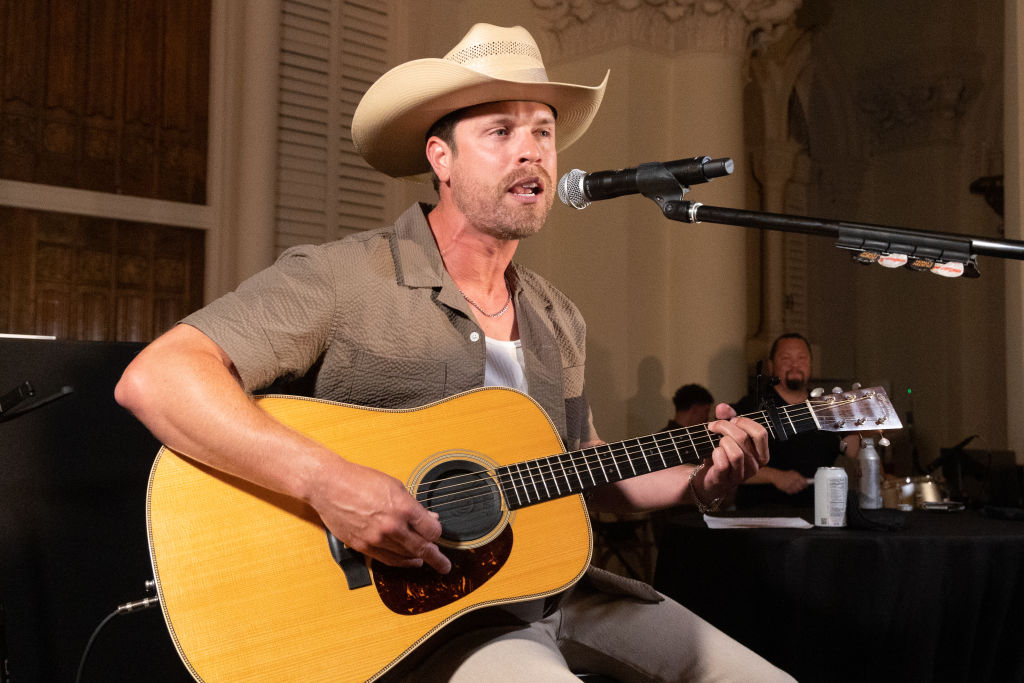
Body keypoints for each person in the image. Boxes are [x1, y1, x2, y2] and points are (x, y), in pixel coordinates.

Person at [116, 24, 792, 682]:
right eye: (501, 132)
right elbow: (159, 377)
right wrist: (328, 482)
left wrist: (697, 477)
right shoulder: (345, 277)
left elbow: (585, 467)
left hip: (562, 590)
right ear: (442, 158)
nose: (531, 151)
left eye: (543, 132)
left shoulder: (558, 318)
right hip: (423, 614)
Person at [731, 332, 857, 508]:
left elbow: (856, 456)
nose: (795, 365)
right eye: (786, 358)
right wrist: (774, 476)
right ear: (771, 365)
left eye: (802, 358)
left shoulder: (827, 408)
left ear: (811, 364)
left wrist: (860, 426)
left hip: (821, 516)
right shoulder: (750, 407)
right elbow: (730, 466)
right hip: (762, 520)